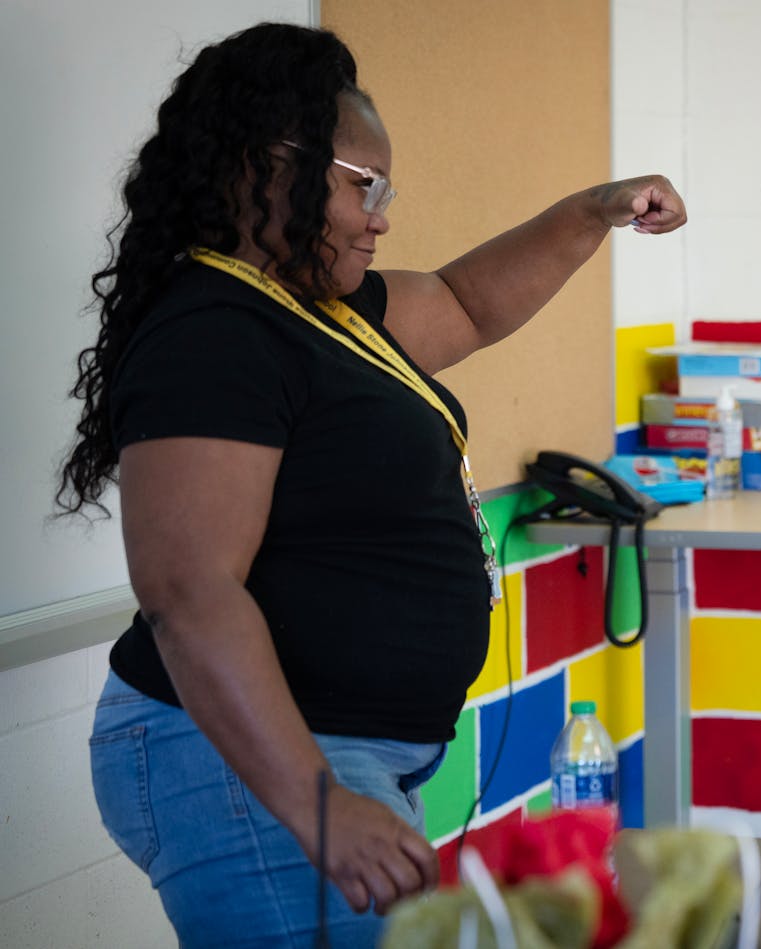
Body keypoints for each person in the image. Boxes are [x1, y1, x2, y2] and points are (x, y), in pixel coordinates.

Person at [58, 22, 686, 947]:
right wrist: (319, 805)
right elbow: (190, 595)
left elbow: (469, 302)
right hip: (247, 764)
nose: (383, 215)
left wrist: (594, 209)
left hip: (330, 760)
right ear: (269, 167)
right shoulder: (214, 330)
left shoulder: (322, 313)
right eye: (366, 187)